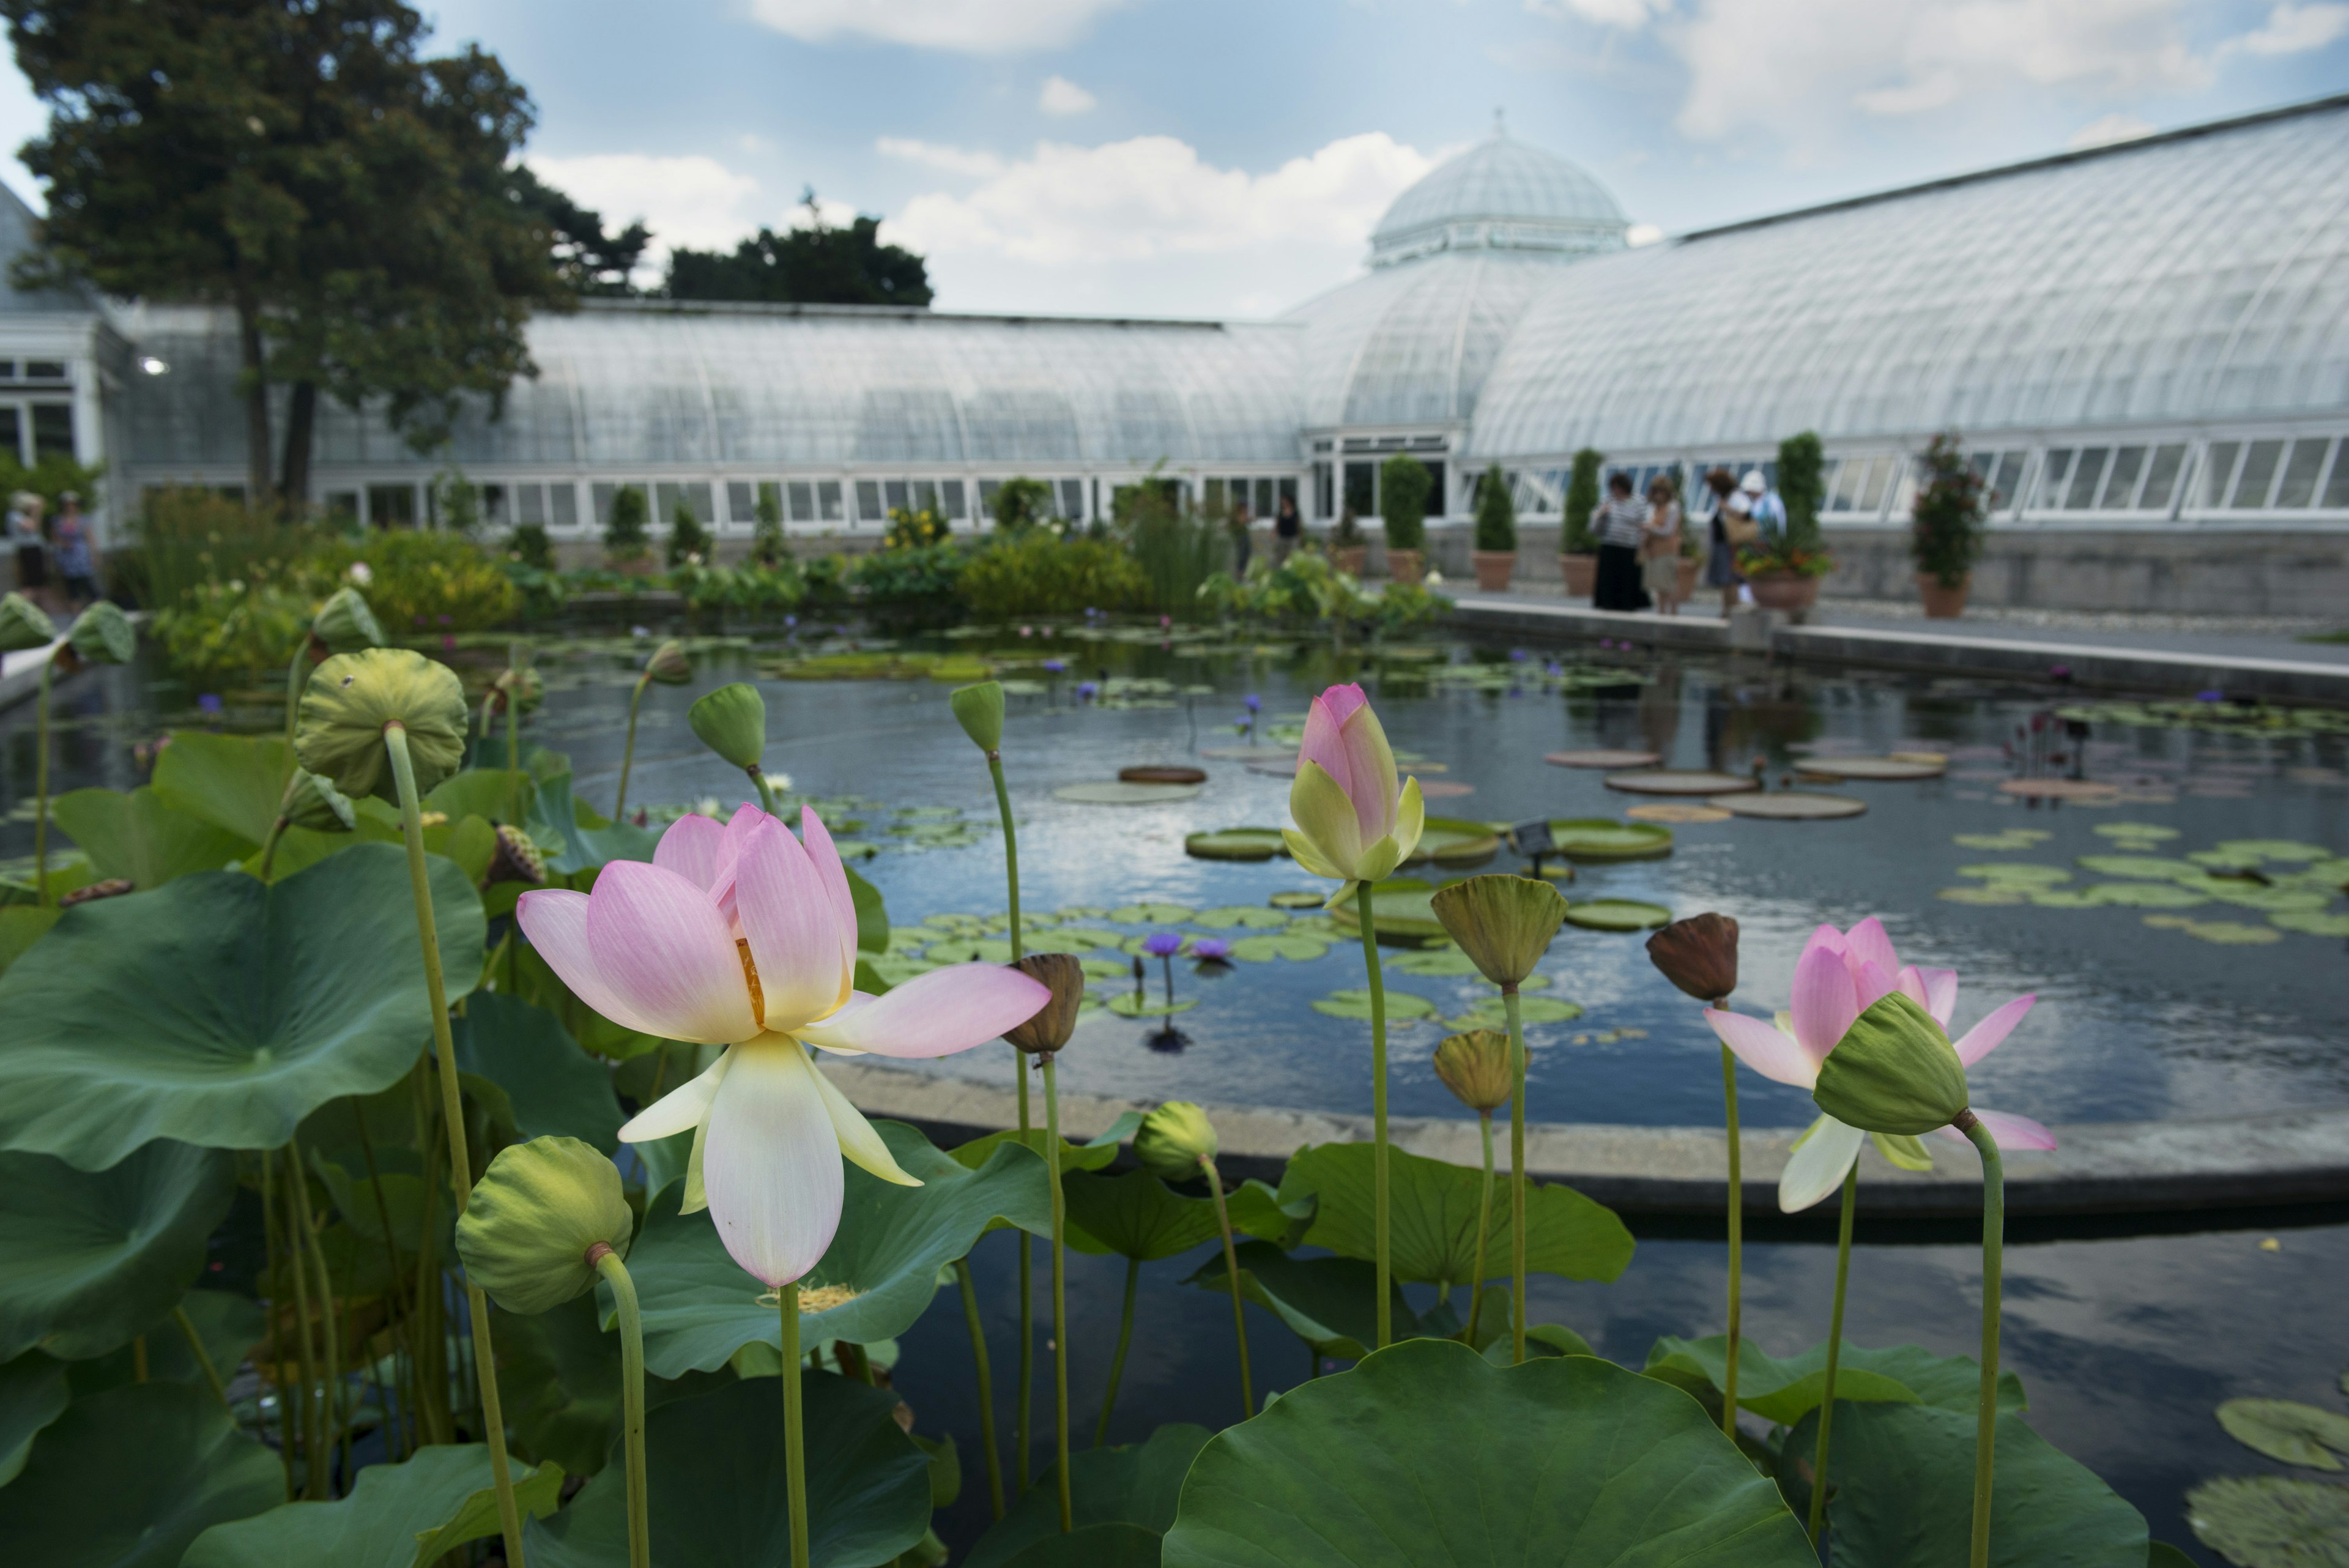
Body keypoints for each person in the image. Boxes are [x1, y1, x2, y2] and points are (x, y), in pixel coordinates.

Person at [1590, 472, 1650, 611]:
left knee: (1627, 578)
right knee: (1610, 578)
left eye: (1619, 488)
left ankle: (1628, 603)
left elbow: (1642, 523)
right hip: (1610, 544)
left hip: (1629, 546)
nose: (1616, 491)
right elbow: (1594, 523)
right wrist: (1601, 514)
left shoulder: (1638, 501)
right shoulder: (1608, 501)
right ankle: (1608, 602)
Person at [1641, 474, 1683, 615]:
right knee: (1659, 585)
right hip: (1655, 551)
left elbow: (1668, 531)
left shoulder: (1672, 507)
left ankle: (1673, 613)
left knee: (1669, 585)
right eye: (1655, 492)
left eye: (1660, 492)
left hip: (1667, 550)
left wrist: (1649, 528)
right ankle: (1661, 612)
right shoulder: (1654, 508)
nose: (1657, 495)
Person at [1703, 467, 1742, 615]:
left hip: (1731, 544)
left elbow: (1747, 515)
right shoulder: (1722, 498)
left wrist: (1727, 509)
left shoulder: (1736, 497)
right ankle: (1726, 610)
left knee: (1731, 579)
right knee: (1725, 580)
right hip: (1721, 544)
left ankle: (1733, 611)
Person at [50, 491, 95, 608]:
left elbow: (90, 538)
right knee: (72, 586)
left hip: (81, 556)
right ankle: (76, 611)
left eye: (72, 504)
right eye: (67, 504)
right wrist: (63, 544)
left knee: (87, 583)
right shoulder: (58, 521)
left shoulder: (83, 520)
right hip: (67, 557)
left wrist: (94, 555)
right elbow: (55, 538)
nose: (70, 507)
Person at [8, 491, 46, 609]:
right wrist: (35, 511)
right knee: (30, 584)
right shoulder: (14, 515)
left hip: (33, 550)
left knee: (37, 584)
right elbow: (31, 527)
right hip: (29, 551)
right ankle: (20, 609)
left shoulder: (20, 515)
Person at [1740, 469, 1787, 542]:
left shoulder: (1772, 500)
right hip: (1757, 541)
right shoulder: (1753, 502)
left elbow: (1779, 521)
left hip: (1771, 540)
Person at [1272, 491, 1301, 567]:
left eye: (1285, 501)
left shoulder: (1295, 513)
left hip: (1292, 537)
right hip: (1283, 537)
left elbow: (1298, 525)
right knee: (1281, 556)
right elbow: (1277, 525)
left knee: (1293, 556)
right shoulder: (1281, 513)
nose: (1284, 503)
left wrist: (1300, 536)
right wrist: (1274, 534)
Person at [1226, 498, 1253, 579]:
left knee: (1247, 553)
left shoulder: (1241, 513)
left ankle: (1242, 572)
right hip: (1240, 537)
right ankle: (1239, 573)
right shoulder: (1237, 514)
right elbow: (1241, 521)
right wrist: (1246, 515)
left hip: (1244, 536)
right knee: (1242, 555)